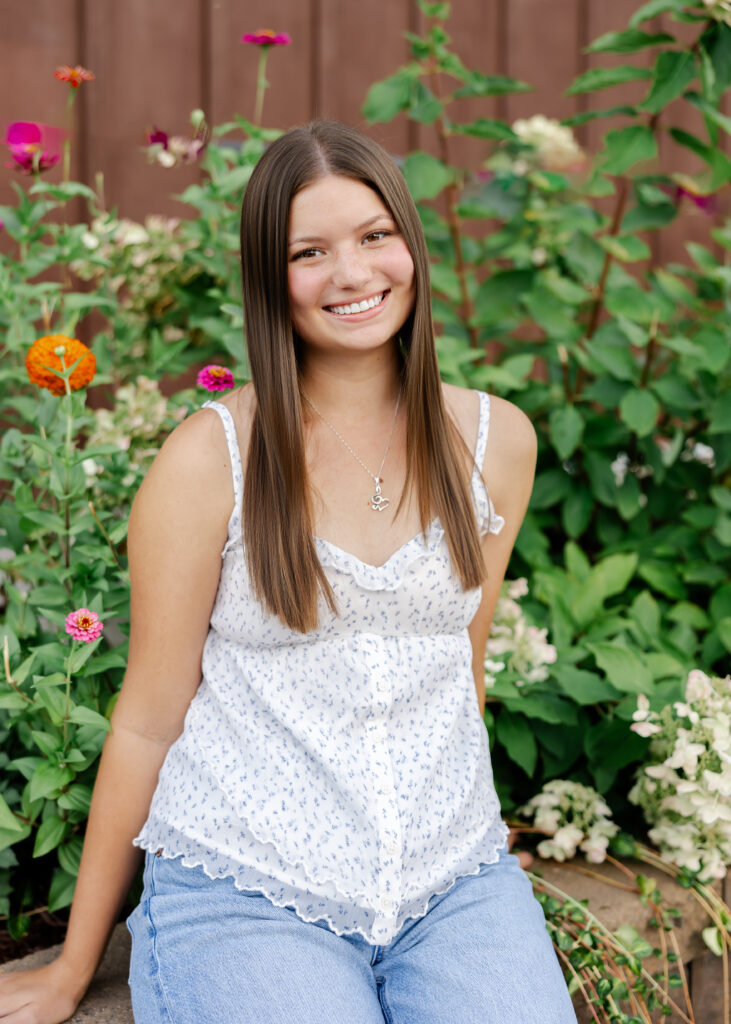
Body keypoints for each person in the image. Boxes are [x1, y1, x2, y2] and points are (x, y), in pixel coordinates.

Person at [0, 120, 577, 1024]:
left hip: (450, 886)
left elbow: (461, 671)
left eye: (374, 236)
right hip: (246, 886)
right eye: (310, 252)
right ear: (272, 277)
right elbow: (148, 721)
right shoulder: (211, 460)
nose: (352, 275)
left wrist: (468, 844)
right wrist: (75, 965)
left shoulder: (495, 442)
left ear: (409, 246)